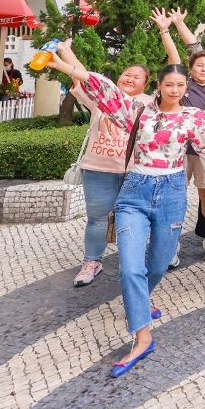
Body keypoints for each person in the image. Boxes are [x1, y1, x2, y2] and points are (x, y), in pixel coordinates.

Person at [44, 41, 205, 376]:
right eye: (168, 84)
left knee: (159, 264)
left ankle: (140, 301)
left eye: (180, 85)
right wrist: (63, 65)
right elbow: (102, 87)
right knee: (130, 268)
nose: (175, 90)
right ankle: (142, 338)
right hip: (135, 191)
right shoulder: (138, 110)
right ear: (158, 86)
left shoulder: (195, 117)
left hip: (172, 193)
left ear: (186, 87)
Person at [69, 62, 151, 288]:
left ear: (145, 84)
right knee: (97, 218)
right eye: (126, 74)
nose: (129, 78)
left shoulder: (150, 104)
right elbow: (81, 77)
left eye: (136, 77)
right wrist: (65, 51)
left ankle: (133, 265)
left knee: (136, 219)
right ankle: (92, 261)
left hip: (135, 172)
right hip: (98, 169)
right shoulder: (101, 98)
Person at [154, 9, 205, 264]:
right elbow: (185, 51)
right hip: (178, 151)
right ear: (190, 68)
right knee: (174, 199)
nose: (203, 69)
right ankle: (171, 245)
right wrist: (167, 28)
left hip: (204, 153)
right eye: (199, 65)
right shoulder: (183, 84)